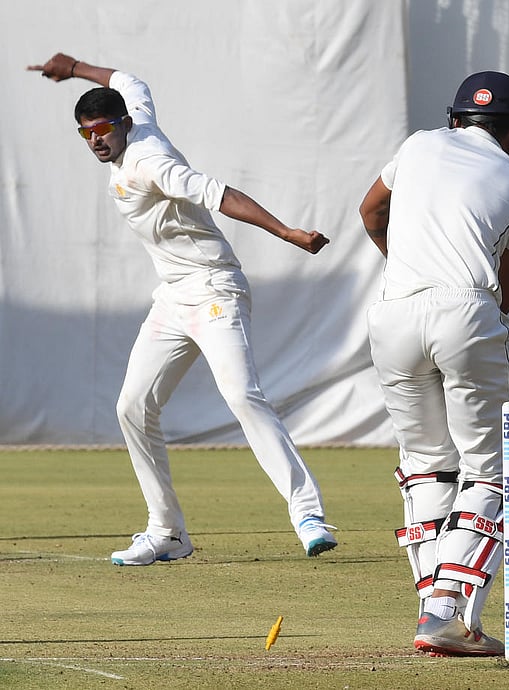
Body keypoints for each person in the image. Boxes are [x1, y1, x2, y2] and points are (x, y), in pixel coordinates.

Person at [28, 53, 338, 564]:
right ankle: (167, 531)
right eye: (85, 133)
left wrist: (287, 232)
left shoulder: (153, 162)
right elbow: (131, 80)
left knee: (241, 395)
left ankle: (308, 514)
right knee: (131, 407)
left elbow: (222, 194)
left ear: (124, 125)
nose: (96, 140)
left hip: (215, 288)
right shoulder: (137, 118)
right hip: (172, 296)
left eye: (103, 129)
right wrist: (76, 67)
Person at [359, 71, 509, 656]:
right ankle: (444, 613)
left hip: (394, 312)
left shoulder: (417, 144)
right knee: (489, 469)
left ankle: (429, 606)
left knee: (425, 466)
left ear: (456, 118)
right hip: (465, 312)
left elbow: (370, 212)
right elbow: (504, 296)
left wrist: (408, 267)